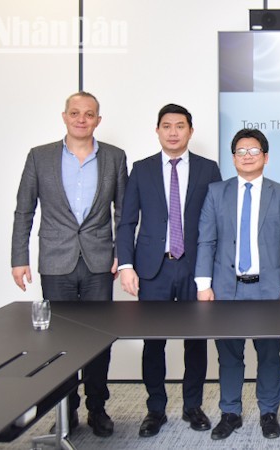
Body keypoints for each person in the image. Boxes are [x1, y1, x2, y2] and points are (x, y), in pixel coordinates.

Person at [10, 91, 127, 437]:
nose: (81, 119)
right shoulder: (39, 157)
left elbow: (123, 211)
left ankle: (98, 409)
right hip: (55, 261)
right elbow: (24, 210)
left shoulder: (115, 158)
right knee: (60, 343)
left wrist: (123, 253)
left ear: (97, 120)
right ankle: (66, 410)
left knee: (98, 340)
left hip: (98, 263)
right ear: (64, 116)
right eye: (75, 113)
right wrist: (19, 258)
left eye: (88, 114)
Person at [116, 104, 221, 437]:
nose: (173, 132)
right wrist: (127, 265)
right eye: (166, 126)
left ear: (190, 131)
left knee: (196, 342)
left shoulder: (208, 169)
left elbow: (217, 221)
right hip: (153, 269)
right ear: (157, 130)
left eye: (180, 126)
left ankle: (193, 406)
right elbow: (127, 220)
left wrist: (213, 269)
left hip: (194, 269)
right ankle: (155, 410)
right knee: (154, 342)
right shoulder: (142, 169)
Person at [195, 128, 280, 441]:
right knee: (229, 355)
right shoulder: (217, 192)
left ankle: (269, 412)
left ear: (266, 157)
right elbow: (207, 239)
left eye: (254, 151)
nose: (247, 156)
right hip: (227, 288)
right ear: (233, 158)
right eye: (241, 151)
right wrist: (204, 284)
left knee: (269, 354)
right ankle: (230, 412)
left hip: (269, 289)